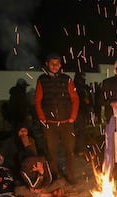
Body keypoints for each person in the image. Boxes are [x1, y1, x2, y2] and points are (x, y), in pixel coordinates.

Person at [33, 53, 79, 185]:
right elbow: (37, 100)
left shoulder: (67, 79)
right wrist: (42, 118)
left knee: (69, 151)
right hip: (50, 124)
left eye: (57, 64)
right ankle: (54, 176)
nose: (54, 66)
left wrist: (72, 117)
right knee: (51, 152)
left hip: (67, 123)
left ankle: (71, 176)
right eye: (52, 64)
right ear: (47, 64)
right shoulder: (42, 80)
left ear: (60, 65)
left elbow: (75, 98)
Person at [73, 71, 93, 154]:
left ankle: (79, 147)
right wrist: (84, 100)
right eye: (83, 76)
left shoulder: (83, 87)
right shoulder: (76, 87)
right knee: (79, 131)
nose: (84, 78)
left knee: (81, 131)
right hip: (78, 112)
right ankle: (79, 148)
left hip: (82, 111)